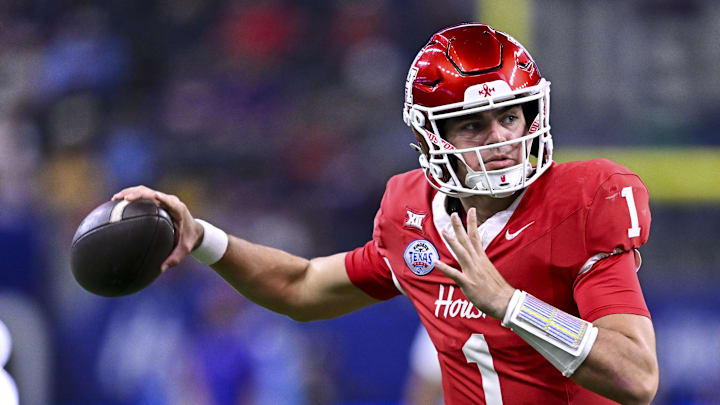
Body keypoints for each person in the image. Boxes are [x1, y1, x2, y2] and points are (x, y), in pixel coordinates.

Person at [113, 23, 658, 404]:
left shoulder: (587, 199)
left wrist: (509, 304)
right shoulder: (411, 213)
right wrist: (203, 236)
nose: (501, 139)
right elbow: (303, 287)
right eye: (474, 124)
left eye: (510, 117)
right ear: (432, 135)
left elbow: (637, 377)